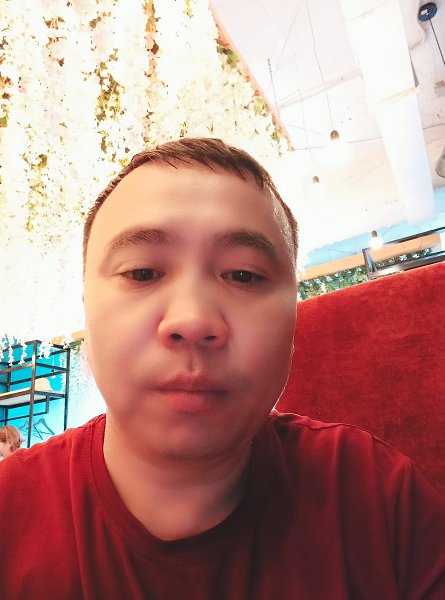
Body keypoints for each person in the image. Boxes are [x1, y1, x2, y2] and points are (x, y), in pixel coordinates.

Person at [0, 137, 444, 599]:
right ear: (87, 309)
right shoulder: (9, 512)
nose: (193, 320)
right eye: (142, 273)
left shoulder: (373, 495)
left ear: (293, 317)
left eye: (244, 275)